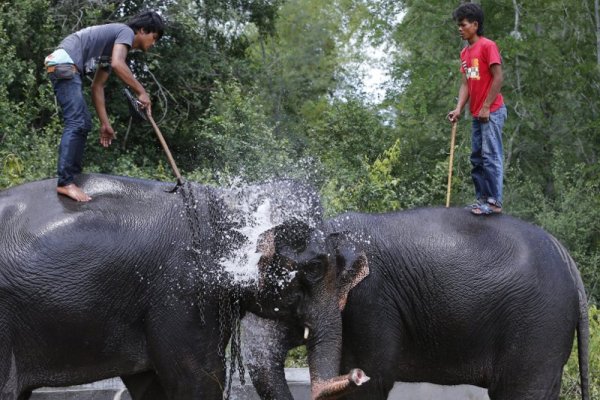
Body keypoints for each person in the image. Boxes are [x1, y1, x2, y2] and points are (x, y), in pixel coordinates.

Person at [45, 11, 165, 202]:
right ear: (142, 30)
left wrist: (105, 123)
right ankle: (65, 183)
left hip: (65, 65)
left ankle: (72, 177)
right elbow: (119, 64)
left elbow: (97, 86)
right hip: (65, 63)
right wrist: (142, 91)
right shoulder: (125, 32)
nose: (154, 43)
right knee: (77, 122)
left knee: (83, 123)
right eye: (154, 37)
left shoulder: (110, 51)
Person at [447, 3, 507, 215]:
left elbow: (498, 77)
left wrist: (486, 107)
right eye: (459, 25)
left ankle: (494, 202)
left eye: (463, 25)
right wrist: (458, 108)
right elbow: (466, 84)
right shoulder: (464, 53)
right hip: (476, 113)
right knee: (476, 157)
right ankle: (482, 199)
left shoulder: (487, 46)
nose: (460, 28)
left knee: (490, 156)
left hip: (492, 111)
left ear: (475, 24)